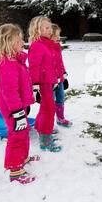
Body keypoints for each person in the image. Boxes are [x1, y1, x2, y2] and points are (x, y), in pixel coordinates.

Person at [0, 24, 39, 184]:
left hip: (18, 106)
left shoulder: (15, 60)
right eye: (18, 40)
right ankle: (15, 170)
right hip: (13, 108)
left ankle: (22, 157)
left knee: (23, 132)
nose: (23, 42)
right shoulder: (7, 64)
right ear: (7, 42)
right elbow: (9, 92)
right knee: (17, 136)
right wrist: (18, 114)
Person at [28, 16, 62, 152]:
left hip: (49, 82)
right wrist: (35, 87)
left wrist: (55, 80)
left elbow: (51, 64)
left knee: (46, 107)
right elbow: (34, 67)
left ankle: (39, 127)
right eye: (46, 28)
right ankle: (45, 138)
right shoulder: (37, 45)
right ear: (37, 30)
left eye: (50, 27)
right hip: (42, 83)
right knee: (49, 108)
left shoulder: (46, 44)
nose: (50, 30)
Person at [51, 24, 73, 127]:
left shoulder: (57, 46)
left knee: (60, 99)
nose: (58, 38)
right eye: (56, 36)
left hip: (60, 79)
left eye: (59, 35)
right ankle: (49, 124)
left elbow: (60, 62)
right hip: (51, 81)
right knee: (50, 103)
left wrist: (64, 74)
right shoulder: (46, 49)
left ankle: (60, 118)